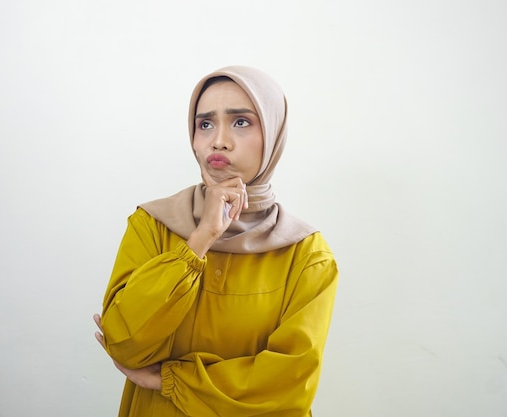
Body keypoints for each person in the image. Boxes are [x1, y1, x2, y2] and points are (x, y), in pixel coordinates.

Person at [94, 65, 339, 417]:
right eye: (205, 124)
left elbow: (287, 385)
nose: (218, 140)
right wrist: (200, 239)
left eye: (241, 122)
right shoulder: (152, 225)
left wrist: (169, 380)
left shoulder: (307, 256)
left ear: (273, 133)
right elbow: (124, 344)